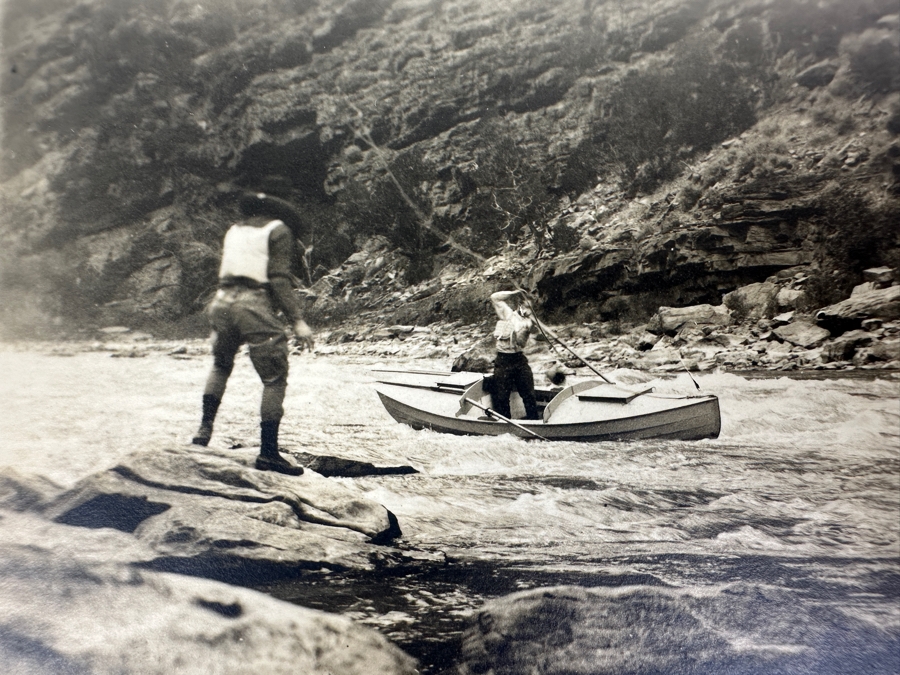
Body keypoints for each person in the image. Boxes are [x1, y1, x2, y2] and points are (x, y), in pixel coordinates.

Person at [192, 192, 314, 476]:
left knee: (221, 365)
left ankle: (203, 431)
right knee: (274, 379)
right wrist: (298, 321)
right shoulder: (278, 230)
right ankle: (268, 454)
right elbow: (279, 280)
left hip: (221, 301)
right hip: (253, 303)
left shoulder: (234, 230)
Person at [489, 289, 540, 420]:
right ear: (520, 305)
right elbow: (494, 297)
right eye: (526, 307)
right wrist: (515, 292)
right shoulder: (508, 314)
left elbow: (521, 343)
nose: (528, 311)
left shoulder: (529, 322)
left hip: (519, 359)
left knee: (529, 394)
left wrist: (529, 329)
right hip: (503, 359)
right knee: (502, 397)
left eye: (530, 309)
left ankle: (533, 421)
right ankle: (505, 424)